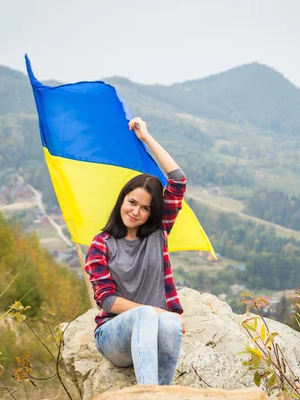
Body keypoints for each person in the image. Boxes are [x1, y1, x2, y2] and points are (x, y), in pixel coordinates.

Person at [84, 117, 186, 385]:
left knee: (173, 324)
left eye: (145, 208)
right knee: (148, 314)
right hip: (114, 337)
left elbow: (177, 180)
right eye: (132, 202)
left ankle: (161, 392)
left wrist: (147, 138)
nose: (136, 212)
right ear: (122, 200)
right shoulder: (101, 244)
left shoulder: (158, 234)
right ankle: (147, 393)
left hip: (153, 333)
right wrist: (157, 311)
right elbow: (107, 301)